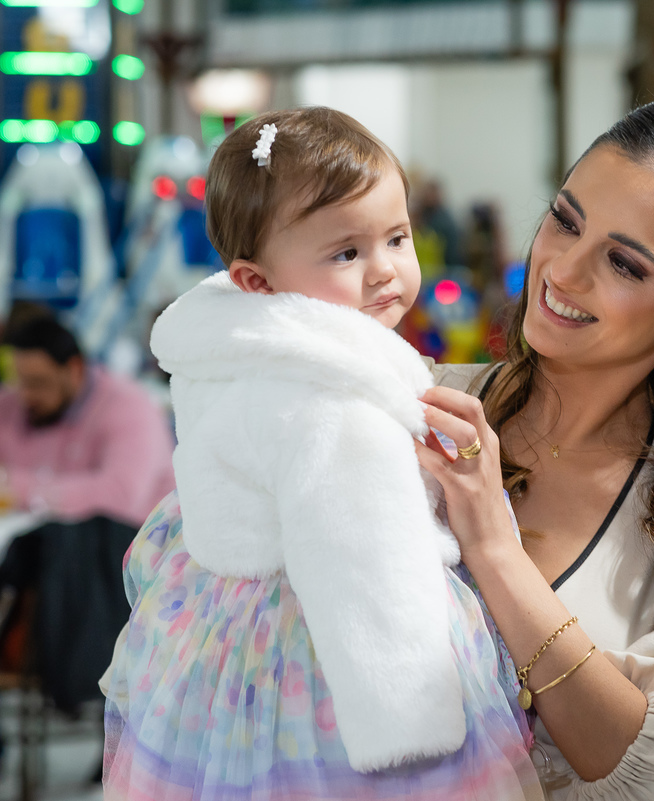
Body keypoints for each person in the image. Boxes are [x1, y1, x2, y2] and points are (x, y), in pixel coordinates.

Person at [101, 107, 541, 800]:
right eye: (346, 253)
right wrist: (412, 735)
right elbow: (368, 572)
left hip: (222, 645)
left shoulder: (229, 352)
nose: (385, 271)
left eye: (396, 237)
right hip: (330, 669)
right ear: (255, 279)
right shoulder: (335, 401)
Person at [415, 101, 654, 799]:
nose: (562, 271)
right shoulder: (416, 404)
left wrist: (497, 554)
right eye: (564, 219)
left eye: (623, 263)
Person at [0, 315, 174, 527]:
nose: (26, 395)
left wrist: (16, 488)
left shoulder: (129, 407)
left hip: (129, 547)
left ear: (74, 370)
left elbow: (120, 496)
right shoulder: (12, 404)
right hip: (40, 538)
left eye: (39, 383)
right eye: (21, 382)